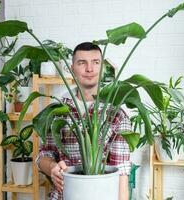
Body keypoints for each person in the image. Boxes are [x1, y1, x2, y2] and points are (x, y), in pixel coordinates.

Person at [36, 42, 131, 200]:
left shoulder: (116, 114)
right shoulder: (57, 111)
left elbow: (121, 173)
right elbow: (42, 156)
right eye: (82, 63)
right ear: (72, 68)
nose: (89, 69)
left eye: (95, 62)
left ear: (103, 68)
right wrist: (52, 167)